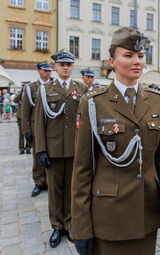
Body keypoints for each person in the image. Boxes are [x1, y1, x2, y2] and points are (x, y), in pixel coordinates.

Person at [71, 27, 160, 255]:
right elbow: (82, 170)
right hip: (110, 216)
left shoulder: (157, 101)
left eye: (140, 56)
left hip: (147, 212)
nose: (136, 61)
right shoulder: (94, 103)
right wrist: (80, 227)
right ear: (112, 61)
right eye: (128, 55)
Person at [35, 49, 88, 248]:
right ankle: (57, 226)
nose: (65, 68)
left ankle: (71, 223)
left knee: (74, 189)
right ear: (55, 66)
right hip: (54, 149)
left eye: (69, 65)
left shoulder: (82, 89)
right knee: (55, 191)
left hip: (76, 150)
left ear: (73, 67)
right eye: (62, 65)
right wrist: (40, 150)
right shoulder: (44, 90)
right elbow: (39, 122)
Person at [22, 61, 53, 197]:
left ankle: (49, 182)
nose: (48, 73)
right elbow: (25, 112)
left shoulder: (54, 86)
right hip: (36, 129)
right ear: (39, 71)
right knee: (37, 157)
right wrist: (26, 130)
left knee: (51, 156)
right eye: (45, 70)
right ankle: (39, 182)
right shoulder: (31, 87)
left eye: (49, 70)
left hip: (51, 128)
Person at [13, 86, 32, 154]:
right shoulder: (20, 94)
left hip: (28, 116)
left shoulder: (30, 93)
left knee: (29, 132)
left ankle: (28, 147)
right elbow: (15, 100)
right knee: (21, 133)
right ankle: (21, 148)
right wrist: (21, 93)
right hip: (20, 116)